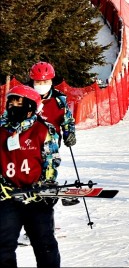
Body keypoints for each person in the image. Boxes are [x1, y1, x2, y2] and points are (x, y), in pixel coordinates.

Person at [0, 85, 61, 268]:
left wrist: (46, 185)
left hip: (36, 198)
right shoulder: (1, 130)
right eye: (10, 102)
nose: (13, 106)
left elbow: (51, 161)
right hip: (8, 197)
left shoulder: (43, 130)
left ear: (30, 106)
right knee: (3, 247)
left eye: (19, 102)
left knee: (45, 246)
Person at [27, 63, 77, 205]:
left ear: (51, 81)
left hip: (50, 139)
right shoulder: (24, 98)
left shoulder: (59, 100)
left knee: (49, 145)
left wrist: (69, 133)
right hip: (27, 138)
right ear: (32, 81)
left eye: (45, 82)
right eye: (38, 82)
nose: (41, 85)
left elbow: (67, 121)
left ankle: (48, 180)